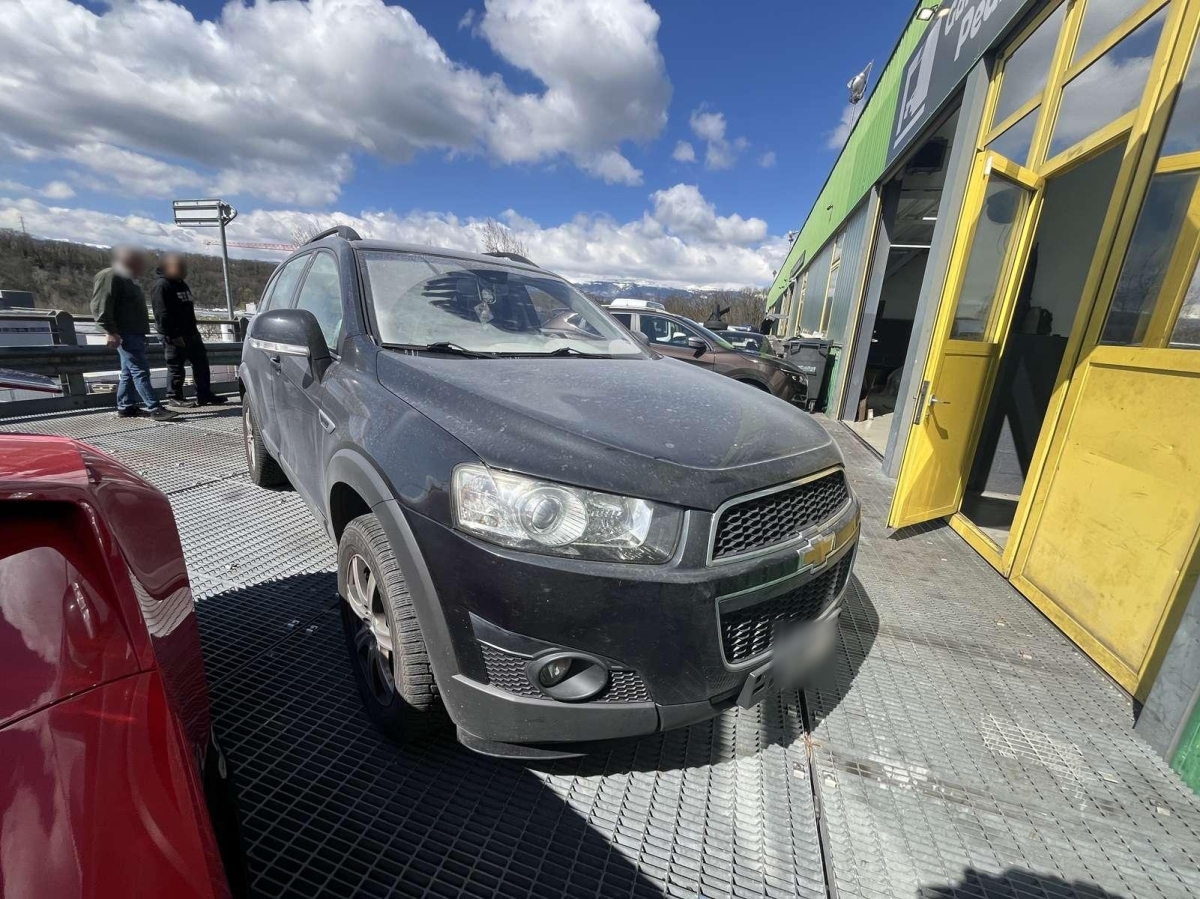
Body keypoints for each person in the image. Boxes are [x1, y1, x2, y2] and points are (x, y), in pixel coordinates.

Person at [91, 246, 177, 421]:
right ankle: (155, 408)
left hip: (133, 332)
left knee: (129, 372)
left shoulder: (128, 279)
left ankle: (125, 406)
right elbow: (101, 304)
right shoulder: (110, 276)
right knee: (140, 370)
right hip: (124, 332)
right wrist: (109, 331)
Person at [150, 254, 227, 407]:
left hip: (191, 332)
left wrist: (194, 329)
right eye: (180, 268)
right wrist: (174, 335)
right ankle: (174, 396)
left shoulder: (182, 284)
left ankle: (204, 394)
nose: (184, 271)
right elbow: (161, 314)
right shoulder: (162, 286)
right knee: (176, 366)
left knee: (201, 364)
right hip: (174, 335)